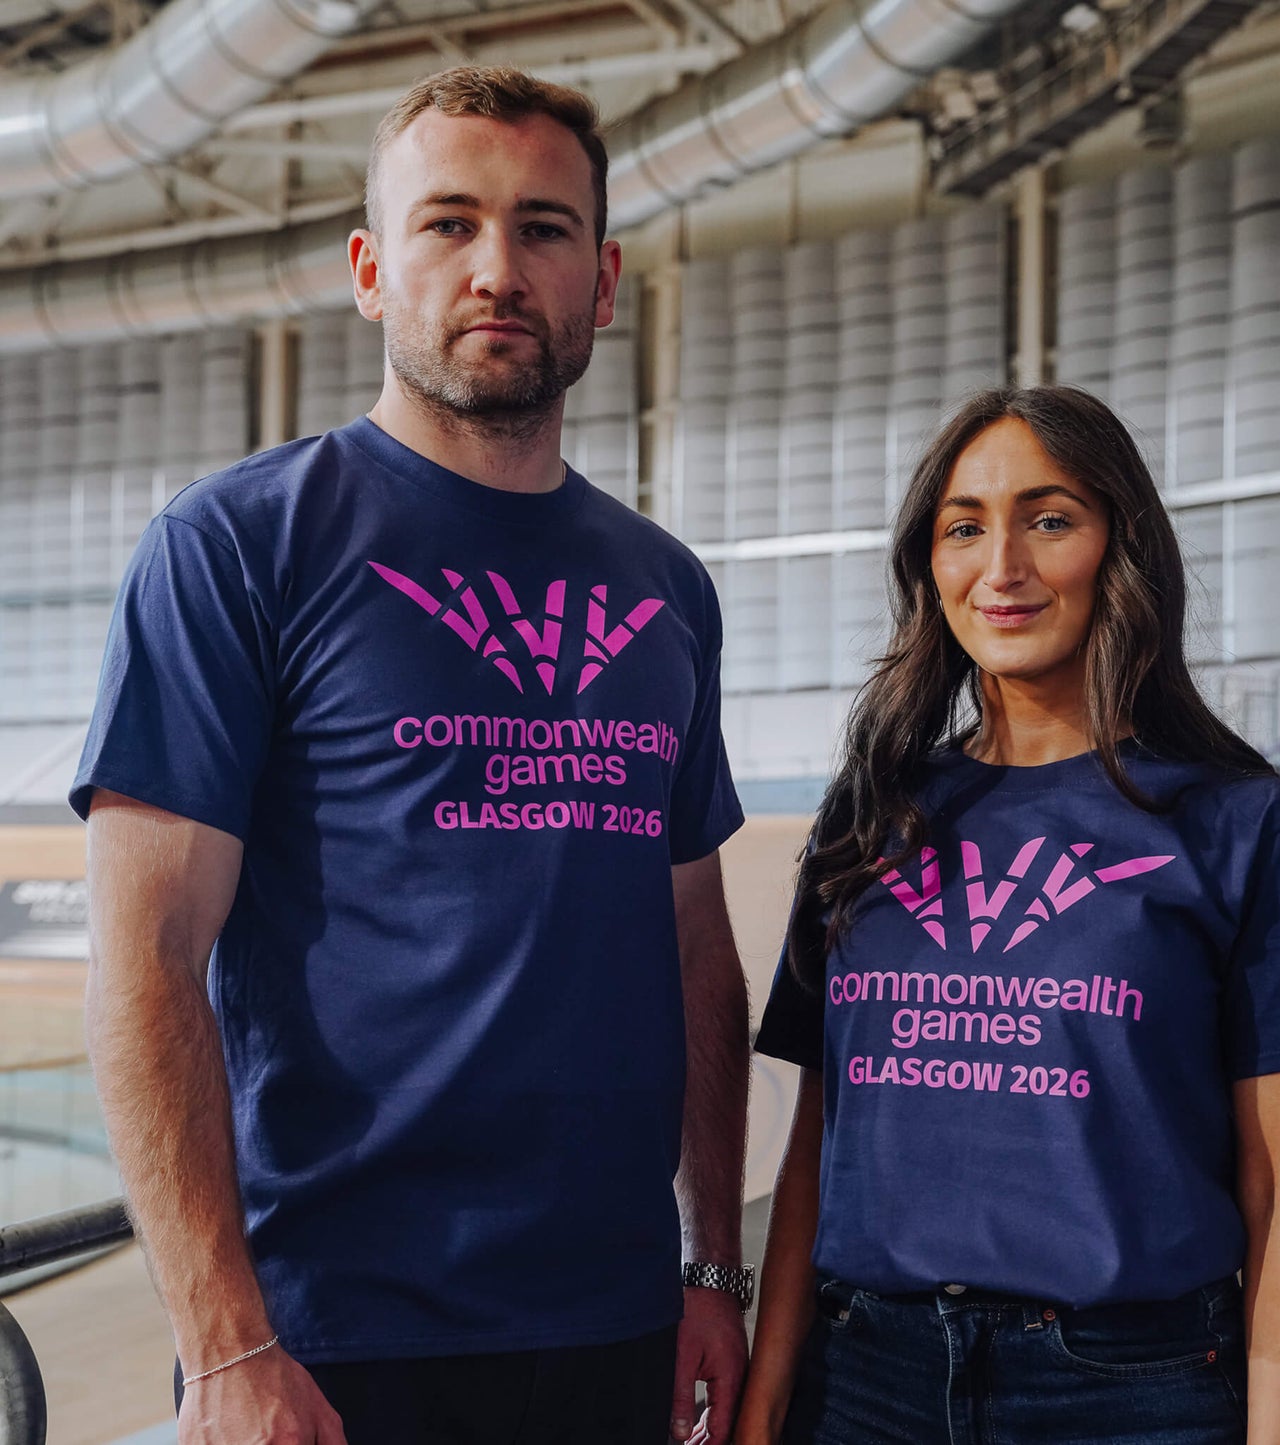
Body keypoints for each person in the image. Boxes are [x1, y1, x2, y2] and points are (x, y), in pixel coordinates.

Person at [74, 65, 752, 1445]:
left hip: (614, 1323)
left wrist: (709, 1266)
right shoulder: (238, 546)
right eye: (448, 223)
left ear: (602, 282)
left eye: (543, 228)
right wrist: (224, 1341)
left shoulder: (666, 587)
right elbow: (146, 960)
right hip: (330, 1337)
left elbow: (694, 949)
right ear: (371, 271)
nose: (497, 268)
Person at [736, 386, 1280, 1445]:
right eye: (963, 527)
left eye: (1048, 520)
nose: (1000, 566)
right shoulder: (870, 815)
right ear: (930, 565)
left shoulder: (1246, 828)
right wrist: (765, 1399)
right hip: (863, 1381)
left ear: (1119, 549)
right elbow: (818, 1142)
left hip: (1127, 1391)